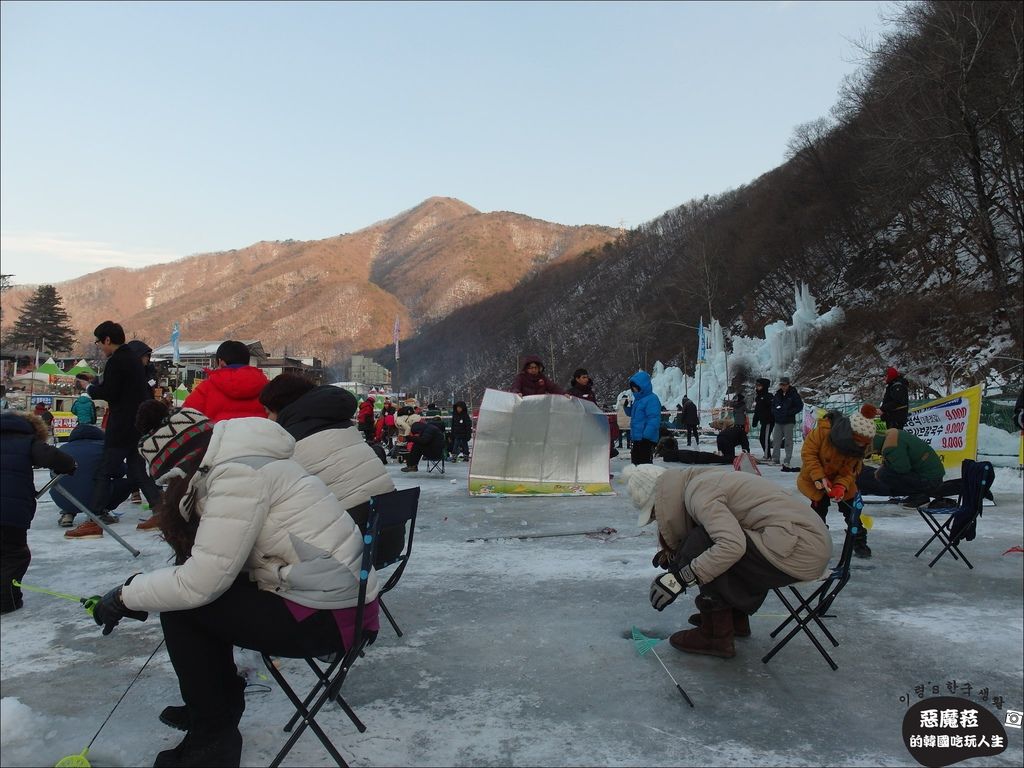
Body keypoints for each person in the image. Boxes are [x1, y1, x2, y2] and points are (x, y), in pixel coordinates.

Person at [85, 400, 380, 767]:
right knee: (194, 604)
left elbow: (202, 582)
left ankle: (214, 734)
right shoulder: (251, 461)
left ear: (185, 463)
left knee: (185, 610)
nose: (173, 491)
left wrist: (126, 596)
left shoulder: (236, 476)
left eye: (173, 480)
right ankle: (213, 707)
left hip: (330, 618)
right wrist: (143, 590)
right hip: (339, 605)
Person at [629, 464, 831, 659]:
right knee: (710, 544)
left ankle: (716, 635)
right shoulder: (703, 482)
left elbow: (731, 546)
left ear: (661, 501)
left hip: (799, 550)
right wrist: (677, 558)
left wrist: (679, 579)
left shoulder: (699, 494)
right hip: (803, 545)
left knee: (703, 543)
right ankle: (734, 618)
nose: (658, 521)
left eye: (655, 514)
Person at [259, 374, 394, 529]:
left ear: (282, 407)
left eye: (268, 412)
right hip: (388, 528)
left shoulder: (289, 440)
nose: (268, 419)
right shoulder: (342, 421)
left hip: (352, 536)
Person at [70, 321, 161, 539]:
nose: (100, 346)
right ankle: (161, 511)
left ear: (108, 340)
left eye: (100, 342)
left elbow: (110, 393)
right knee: (138, 470)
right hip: (137, 425)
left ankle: (94, 519)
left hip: (121, 426)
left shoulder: (116, 361)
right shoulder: (133, 360)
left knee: (105, 470)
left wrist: (89, 388)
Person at [1, 410, 77, 613]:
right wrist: (70, 465)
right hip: (11, 511)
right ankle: (6, 600)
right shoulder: (27, 441)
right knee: (14, 554)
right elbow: (55, 457)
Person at [797, 405, 877, 558]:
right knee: (818, 510)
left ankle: (859, 540)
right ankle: (817, 542)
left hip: (840, 480)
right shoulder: (824, 430)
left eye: (864, 444)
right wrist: (820, 477)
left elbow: (851, 470)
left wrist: (841, 485)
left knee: (851, 511)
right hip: (816, 478)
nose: (861, 446)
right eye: (859, 442)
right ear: (851, 434)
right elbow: (808, 454)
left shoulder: (859, 449)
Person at [52, 423, 132, 530]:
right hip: (93, 499)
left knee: (72, 482)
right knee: (125, 484)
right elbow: (120, 471)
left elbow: (53, 475)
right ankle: (100, 512)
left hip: (62, 499)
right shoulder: (103, 448)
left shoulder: (62, 449)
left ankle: (68, 513)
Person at [857, 426, 945, 507]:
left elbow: (902, 469)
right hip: (932, 477)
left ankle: (919, 496)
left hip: (930, 481)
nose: (875, 454)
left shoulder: (891, 446)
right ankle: (916, 494)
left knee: (884, 475)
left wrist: (883, 469)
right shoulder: (891, 437)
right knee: (882, 473)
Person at [183, 340, 268, 423]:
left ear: (220, 362)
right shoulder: (268, 387)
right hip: (260, 436)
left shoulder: (206, 387)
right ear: (248, 362)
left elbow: (184, 419)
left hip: (216, 436)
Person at [626, 371, 661, 465]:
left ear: (642, 386)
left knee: (645, 464)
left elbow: (654, 419)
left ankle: (646, 479)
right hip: (637, 438)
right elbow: (633, 415)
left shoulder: (652, 399)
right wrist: (626, 407)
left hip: (646, 439)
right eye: (632, 388)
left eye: (635, 387)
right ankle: (637, 478)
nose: (634, 390)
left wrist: (646, 437)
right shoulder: (638, 400)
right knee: (635, 462)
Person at [771, 376, 804, 470]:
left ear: (788, 384)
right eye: (781, 384)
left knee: (788, 441)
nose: (782, 386)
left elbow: (799, 406)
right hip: (778, 421)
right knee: (776, 440)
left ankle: (787, 459)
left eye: (784, 384)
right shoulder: (777, 394)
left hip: (789, 421)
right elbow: (773, 405)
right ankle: (775, 459)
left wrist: (789, 412)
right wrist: (775, 412)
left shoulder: (794, 394)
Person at [750, 378, 773, 460]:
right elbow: (757, 411)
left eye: (759, 385)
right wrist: (755, 421)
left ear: (764, 386)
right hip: (763, 422)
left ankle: (767, 456)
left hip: (768, 421)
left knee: (765, 438)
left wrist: (769, 417)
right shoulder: (758, 398)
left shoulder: (769, 396)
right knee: (762, 438)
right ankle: (767, 455)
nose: (757, 387)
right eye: (756, 385)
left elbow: (771, 409)